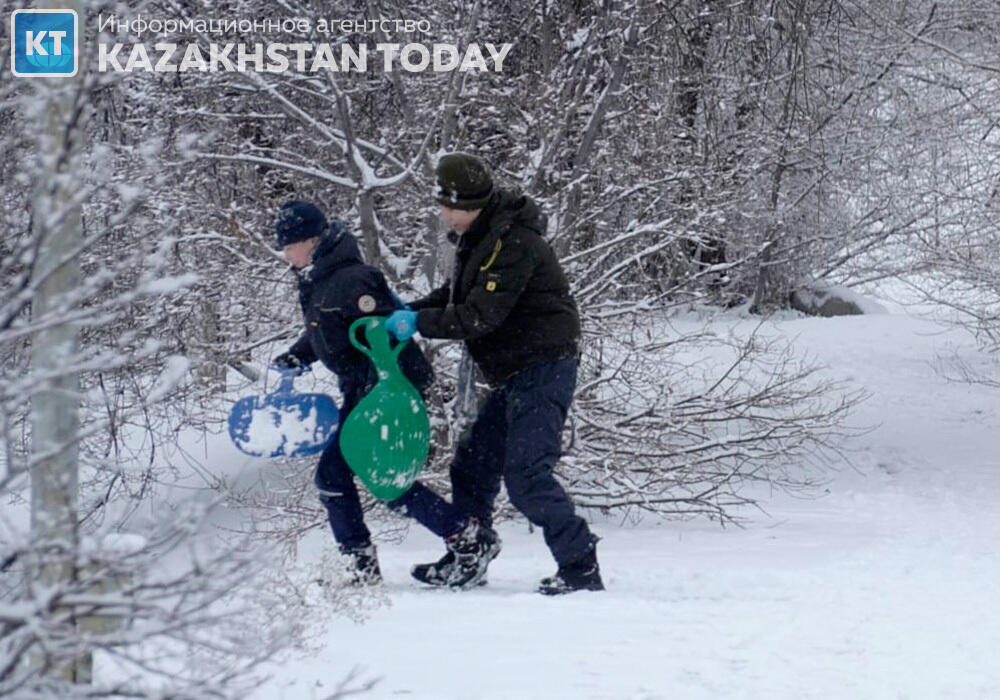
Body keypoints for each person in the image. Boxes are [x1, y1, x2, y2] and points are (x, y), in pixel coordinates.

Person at [384, 153, 605, 595]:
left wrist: (418, 325)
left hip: (544, 367)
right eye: (443, 206)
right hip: (513, 372)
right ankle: (471, 551)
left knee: (526, 478)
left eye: (453, 208)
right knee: (472, 466)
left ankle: (580, 566)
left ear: (476, 204)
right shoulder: (480, 238)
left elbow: (481, 316)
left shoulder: (513, 243)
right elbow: (454, 295)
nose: (446, 216)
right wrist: (408, 311)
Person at [271, 200, 497, 587]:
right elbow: (326, 329)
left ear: (309, 241)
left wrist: (396, 386)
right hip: (363, 389)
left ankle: (378, 560)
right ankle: (464, 537)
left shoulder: (351, 279)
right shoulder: (321, 278)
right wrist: (300, 354)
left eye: (288, 246)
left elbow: (384, 330)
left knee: (353, 477)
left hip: (381, 390)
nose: (285, 254)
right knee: (374, 479)